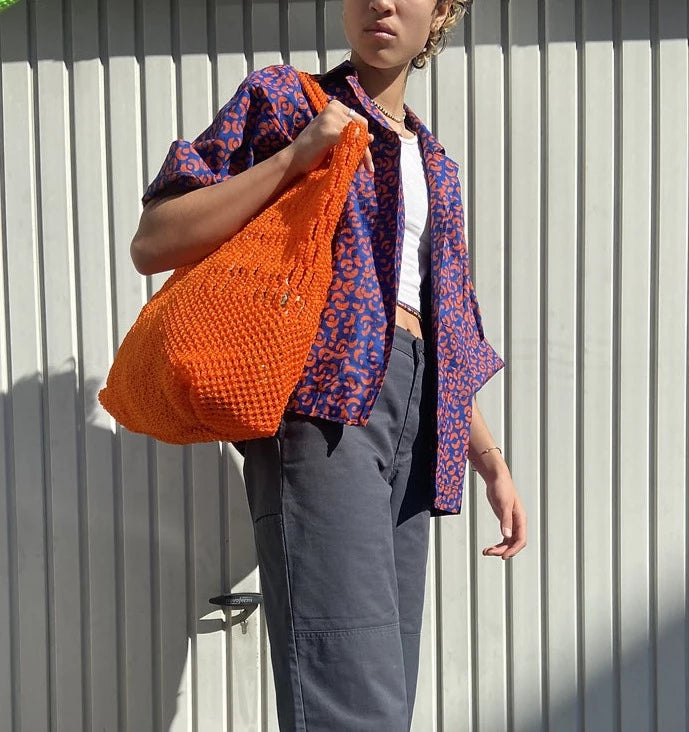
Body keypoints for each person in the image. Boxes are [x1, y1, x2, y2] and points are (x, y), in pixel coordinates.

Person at [131, 1, 527, 728]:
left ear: (442, 10)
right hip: (324, 404)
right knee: (349, 694)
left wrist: (490, 461)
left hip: (418, 418)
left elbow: (442, 323)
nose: (382, 2)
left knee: (386, 690)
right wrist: (296, 156)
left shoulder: (435, 162)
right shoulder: (289, 100)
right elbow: (154, 240)